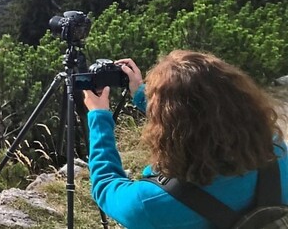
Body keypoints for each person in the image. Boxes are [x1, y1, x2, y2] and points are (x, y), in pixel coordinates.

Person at [83, 49, 288, 228]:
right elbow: (207, 117)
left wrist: (99, 116)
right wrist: (141, 93)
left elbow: (106, 185)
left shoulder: (151, 203)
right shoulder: (276, 150)